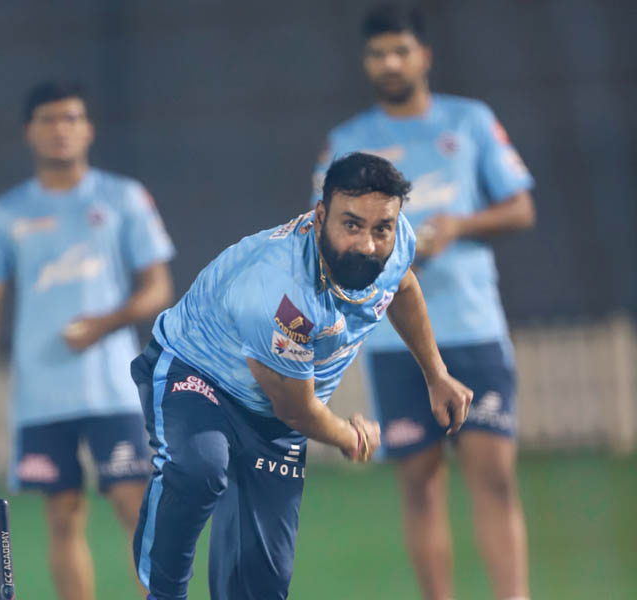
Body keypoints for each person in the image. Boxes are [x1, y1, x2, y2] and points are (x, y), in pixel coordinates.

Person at [132, 152, 473, 600]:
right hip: (196, 372)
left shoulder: (394, 243)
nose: (368, 245)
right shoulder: (282, 291)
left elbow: (401, 285)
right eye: (351, 225)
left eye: (380, 229)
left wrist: (436, 374)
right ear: (319, 216)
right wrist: (349, 436)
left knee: (260, 586)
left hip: (272, 414)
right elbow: (295, 408)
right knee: (200, 468)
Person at [311, 6, 536, 600]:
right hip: (392, 339)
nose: (390, 63)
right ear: (366, 63)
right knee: (420, 485)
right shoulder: (348, 142)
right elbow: (318, 234)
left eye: (401, 51)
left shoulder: (468, 121)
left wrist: (458, 227)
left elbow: (520, 207)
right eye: (378, 54)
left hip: (472, 326)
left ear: (424, 56)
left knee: (493, 478)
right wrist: (379, 247)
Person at [0, 81, 175, 600]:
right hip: (42, 395)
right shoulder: (7, 212)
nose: (61, 129)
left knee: (136, 508)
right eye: (49, 120)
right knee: (62, 518)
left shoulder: (121, 196)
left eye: (71, 118)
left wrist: (105, 323)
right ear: (28, 132)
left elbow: (158, 288)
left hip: (112, 388)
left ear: (89, 129)